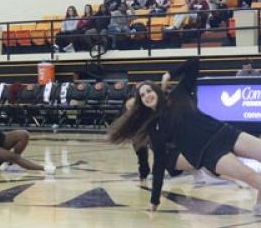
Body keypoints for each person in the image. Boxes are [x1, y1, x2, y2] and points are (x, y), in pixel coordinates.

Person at [110, 57, 261, 214]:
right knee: (250, 176)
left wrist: (169, 74)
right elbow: (159, 165)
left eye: (149, 90)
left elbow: (194, 62)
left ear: (156, 89)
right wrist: (154, 201)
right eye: (142, 95)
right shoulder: (155, 128)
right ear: (141, 102)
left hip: (224, 132)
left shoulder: (178, 94)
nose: (147, 95)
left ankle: (259, 205)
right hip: (208, 153)